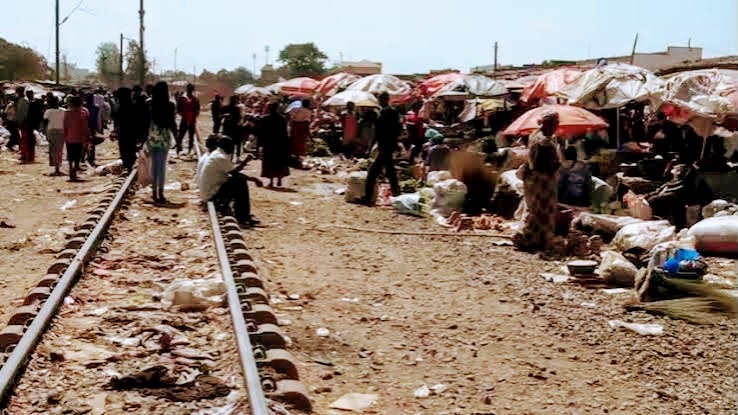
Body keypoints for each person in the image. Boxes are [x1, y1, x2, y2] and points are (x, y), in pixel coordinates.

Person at [513, 111, 562, 253]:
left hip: (532, 178)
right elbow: (543, 164)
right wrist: (557, 164)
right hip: (542, 179)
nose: (556, 126)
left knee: (533, 209)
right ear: (548, 124)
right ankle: (532, 239)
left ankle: (529, 238)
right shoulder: (544, 141)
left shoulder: (534, 135)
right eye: (554, 123)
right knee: (543, 210)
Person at [199, 136, 262, 227]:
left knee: (237, 180)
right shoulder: (220, 157)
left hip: (212, 191)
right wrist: (254, 179)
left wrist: (245, 161)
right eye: (230, 146)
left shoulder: (218, 154)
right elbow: (235, 173)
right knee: (240, 181)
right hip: (212, 194)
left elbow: (233, 171)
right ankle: (243, 217)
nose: (232, 148)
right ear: (224, 146)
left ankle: (243, 215)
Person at [363, 92, 401, 204]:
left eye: (382, 99)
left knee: (372, 173)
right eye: (380, 99)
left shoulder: (389, 113)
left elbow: (392, 130)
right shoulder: (383, 112)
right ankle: (397, 195)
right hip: (385, 146)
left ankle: (367, 198)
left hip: (386, 146)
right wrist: (370, 147)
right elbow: (377, 133)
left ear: (387, 99)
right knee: (390, 172)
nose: (380, 101)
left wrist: (391, 143)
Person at [146, 81, 177, 205]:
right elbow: (172, 123)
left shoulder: (149, 103)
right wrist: (177, 139)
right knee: (162, 165)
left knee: (154, 164)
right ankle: (161, 192)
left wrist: (143, 138)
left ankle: (154, 192)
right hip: (164, 137)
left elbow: (145, 122)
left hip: (153, 136)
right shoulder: (170, 105)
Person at [257, 102, 290, 187]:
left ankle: (271, 181)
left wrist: (260, 144)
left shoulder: (264, 119)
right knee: (279, 161)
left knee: (269, 162)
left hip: (269, 143)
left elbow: (261, 133)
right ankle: (279, 179)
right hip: (280, 143)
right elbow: (285, 133)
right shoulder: (282, 119)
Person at [63, 96, 90, 181]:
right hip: (79, 138)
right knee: (77, 156)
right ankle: (74, 172)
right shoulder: (83, 112)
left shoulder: (67, 112)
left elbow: (65, 125)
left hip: (69, 138)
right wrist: (87, 136)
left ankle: (71, 172)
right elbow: (85, 126)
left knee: (70, 156)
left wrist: (65, 135)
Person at [115, 87, 138, 172]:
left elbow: (117, 120)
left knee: (124, 149)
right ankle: (129, 166)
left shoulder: (119, 106)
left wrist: (116, 130)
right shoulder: (134, 105)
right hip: (132, 131)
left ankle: (128, 166)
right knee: (131, 148)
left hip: (124, 131)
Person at [176, 83, 200, 155]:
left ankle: (189, 152)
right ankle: (178, 152)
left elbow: (197, 111)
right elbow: (179, 110)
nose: (190, 91)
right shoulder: (181, 98)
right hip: (184, 120)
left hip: (192, 121)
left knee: (191, 137)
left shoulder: (195, 99)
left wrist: (192, 118)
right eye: (189, 89)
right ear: (187, 89)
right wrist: (186, 117)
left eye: (191, 89)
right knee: (180, 136)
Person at [43, 96, 66, 175]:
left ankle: (56, 168)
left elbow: (45, 123)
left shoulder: (48, 111)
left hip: (51, 131)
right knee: (59, 150)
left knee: (53, 150)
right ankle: (58, 168)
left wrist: (44, 132)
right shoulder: (63, 111)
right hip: (61, 131)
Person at [22, 90, 44, 163]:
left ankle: (28, 156)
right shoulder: (35, 103)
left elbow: (26, 114)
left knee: (28, 140)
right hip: (33, 124)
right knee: (30, 140)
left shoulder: (30, 104)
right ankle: (30, 156)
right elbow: (40, 115)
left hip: (29, 124)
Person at [84, 94, 101, 166]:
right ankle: (91, 158)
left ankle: (83, 157)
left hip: (85, 126)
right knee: (92, 143)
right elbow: (98, 118)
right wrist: (99, 128)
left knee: (84, 142)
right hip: (93, 126)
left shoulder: (84, 107)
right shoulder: (96, 107)